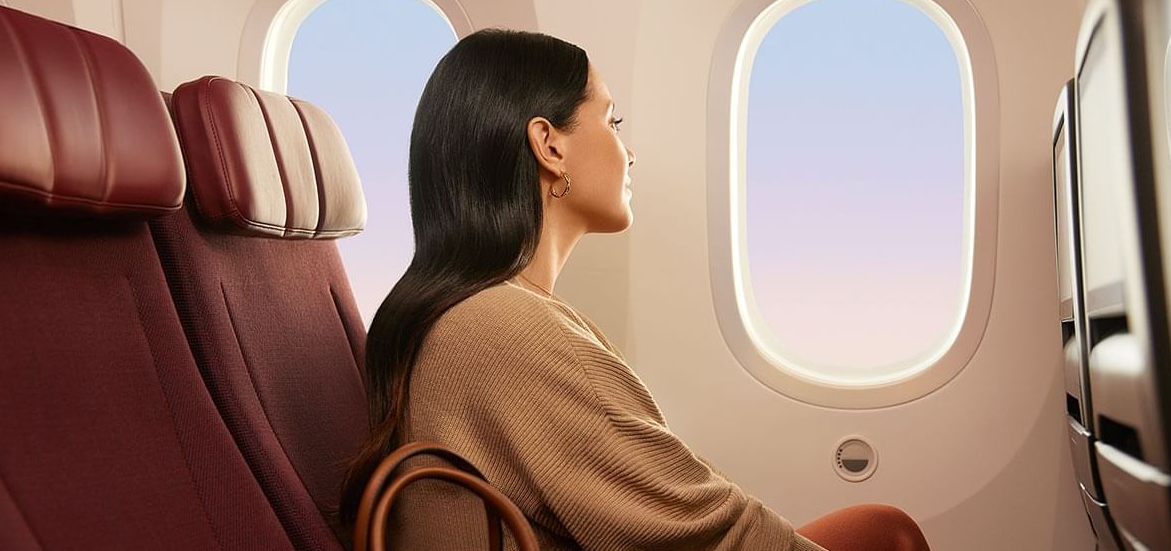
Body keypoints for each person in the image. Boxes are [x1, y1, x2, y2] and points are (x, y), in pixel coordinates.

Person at [339, 28, 931, 551]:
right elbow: (692, 529)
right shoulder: (505, 330)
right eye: (613, 121)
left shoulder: (483, 310)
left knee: (877, 529)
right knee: (890, 535)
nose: (630, 151)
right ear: (550, 145)